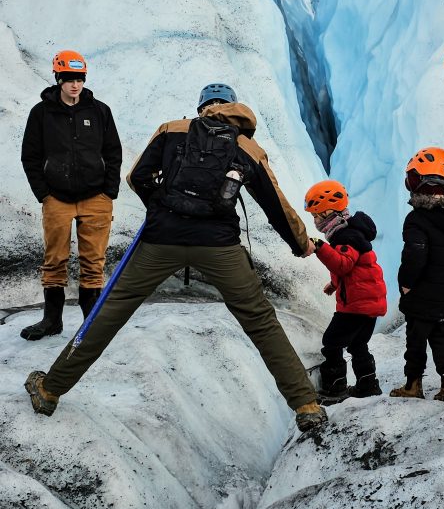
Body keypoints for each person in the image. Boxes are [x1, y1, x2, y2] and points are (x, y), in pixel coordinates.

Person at [25, 82, 327, 433]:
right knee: (261, 322)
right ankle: (305, 404)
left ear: (202, 108)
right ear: (234, 109)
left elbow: (137, 177)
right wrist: (300, 243)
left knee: (109, 313)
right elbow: (276, 206)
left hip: (161, 239)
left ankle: (50, 389)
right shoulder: (247, 147)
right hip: (219, 246)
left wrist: (162, 205)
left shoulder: (172, 130)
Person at [20, 50, 122, 340]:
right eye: (69, 80)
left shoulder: (99, 111)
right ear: (58, 78)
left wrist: (109, 191)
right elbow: (31, 156)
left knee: (93, 262)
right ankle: (52, 321)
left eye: (79, 79)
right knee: (55, 260)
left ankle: (91, 325)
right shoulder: (41, 113)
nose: (75, 85)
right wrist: (44, 193)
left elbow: (113, 152)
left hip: (96, 198)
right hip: (57, 198)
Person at [390, 147, 444, 402]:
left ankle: (413, 383)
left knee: (415, 341)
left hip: (422, 295)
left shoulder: (417, 219)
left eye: (413, 178)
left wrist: (406, 282)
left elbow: (415, 255)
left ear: (423, 182)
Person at [304, 179, 387, 404]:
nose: (314, 220)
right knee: (358, 344)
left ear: (328, 212)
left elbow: (343, 264)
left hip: (356, 305)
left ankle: (335, 388)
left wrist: (319, 247)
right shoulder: (351, 232)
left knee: (332, 343)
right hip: (368, 303)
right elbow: (353, 267)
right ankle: (368, 385)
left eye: (316, 215)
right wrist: (335, 284)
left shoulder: (345, 237)